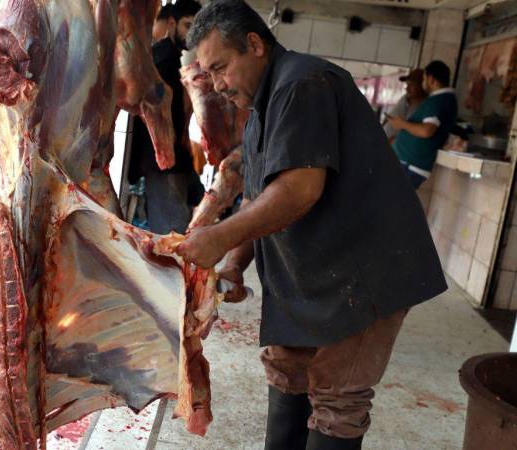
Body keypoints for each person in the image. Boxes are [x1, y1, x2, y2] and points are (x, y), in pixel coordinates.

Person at [176, 1, 447, 449]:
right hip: (313, 271)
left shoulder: (303, 83)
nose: (219, 85)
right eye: (209, 73)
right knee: (287, 372)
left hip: (364, 270)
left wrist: (218, 238)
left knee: (337, 399)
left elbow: (300, 189)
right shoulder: (262, 109)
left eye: (221, 68)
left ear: (255, 45)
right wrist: (235, 263)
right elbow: (260, 193)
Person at [128, 0, 203, 234]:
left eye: (195, 28)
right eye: (187, 26)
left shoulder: (171, 58)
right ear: (172, 23)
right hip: (162, 162)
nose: (191, 34)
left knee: (174, 230)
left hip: (170, 160)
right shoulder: (162, 57)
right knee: (171, 235)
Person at [388, 60, 458, 189]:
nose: (423, 83)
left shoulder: (438, 100)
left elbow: (427, 131)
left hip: (411, 165)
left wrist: (403, 124)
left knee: (387, 205)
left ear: (431, 79)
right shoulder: (442, 99)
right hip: (408, 163)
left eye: (424, 79)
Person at [382, 68, 427, 143]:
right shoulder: (405, 98)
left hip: (395, 149)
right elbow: (389, 117)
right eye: (407, 84)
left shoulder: (427, 107)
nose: (407, 88)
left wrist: (394, 141)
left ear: (423, 85)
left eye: (412, 85)